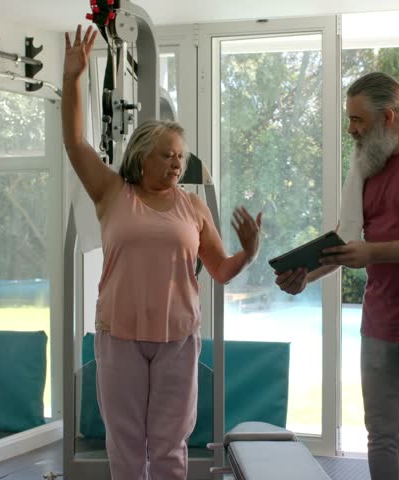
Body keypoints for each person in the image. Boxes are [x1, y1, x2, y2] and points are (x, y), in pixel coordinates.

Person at [62, 25, 262, 480]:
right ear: (142, 156)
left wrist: (248, 252)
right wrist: (73, 79)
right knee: (126, 446)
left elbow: (222, 270)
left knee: (171, 446)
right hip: (119, 335)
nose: (176, 163)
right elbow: (75, 143)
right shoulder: (113, 193)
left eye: (180, 156)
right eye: (168, 155)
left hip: (177, 338)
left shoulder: (192, 206)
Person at [275, 72, 399, 480]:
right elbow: (348, 242)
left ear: (388, 117)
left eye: (357, 120)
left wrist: (374, 252)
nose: (351, 130)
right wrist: (305, 276)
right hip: (380, 318)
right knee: (380, 434)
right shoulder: (366, 166)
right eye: (349, 120)